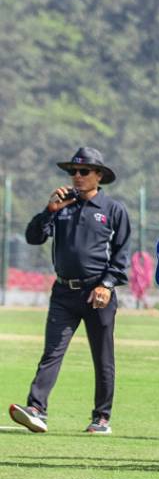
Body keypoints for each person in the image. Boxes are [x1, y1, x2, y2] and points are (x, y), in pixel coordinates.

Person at [9, 148, 130, 435]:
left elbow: (122, 255)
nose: (77, 176)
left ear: (98, 175)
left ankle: (101, 418)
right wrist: (49, 210)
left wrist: (106, 285)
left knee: (102, 357)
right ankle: (36, 410)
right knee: (52, 352)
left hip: (97, 292)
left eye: (83, 171)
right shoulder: (62, 206)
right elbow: (33, 237)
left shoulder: (113, 210)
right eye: (73, 172)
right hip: (63, 292)